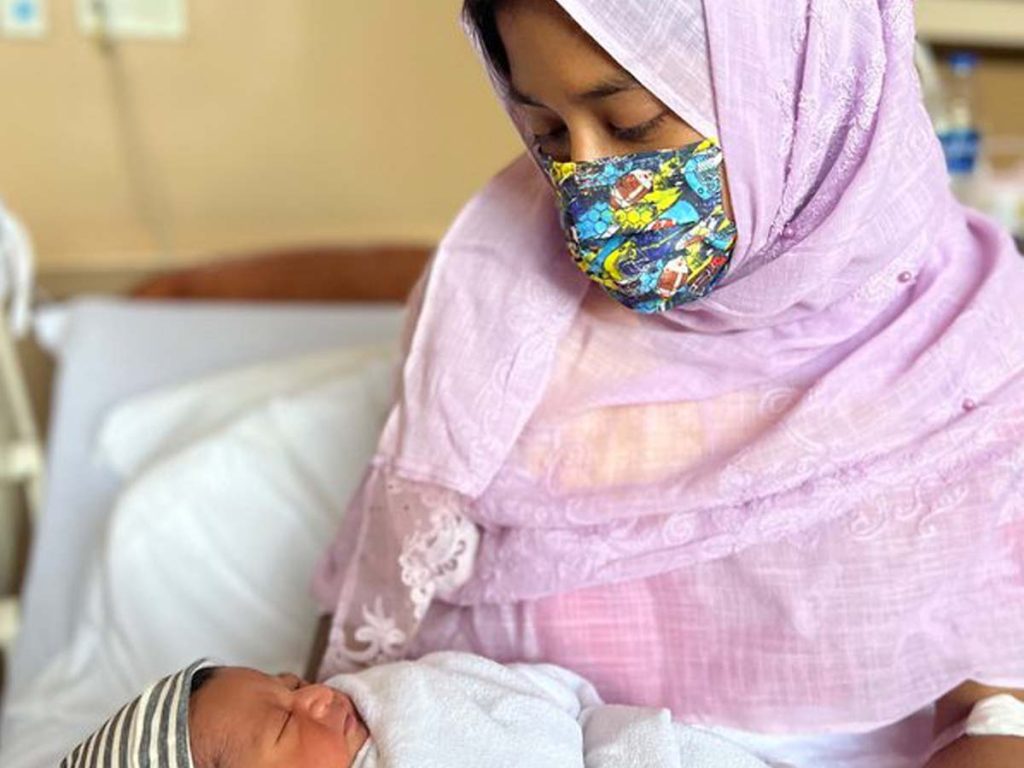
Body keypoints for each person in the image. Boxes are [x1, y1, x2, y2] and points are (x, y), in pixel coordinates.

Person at [310, 0, 1024, 765]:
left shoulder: (981, 351)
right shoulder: (496, 305)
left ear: (793, 90)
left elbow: (996, 709)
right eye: (547, 133)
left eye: (632, 125)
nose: (587, 185)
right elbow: (379, 626)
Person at [58, 654, 774, 767]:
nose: (312, 695)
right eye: (281, 725)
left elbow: (553, 704)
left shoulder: (413, 694)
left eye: (289, 681)